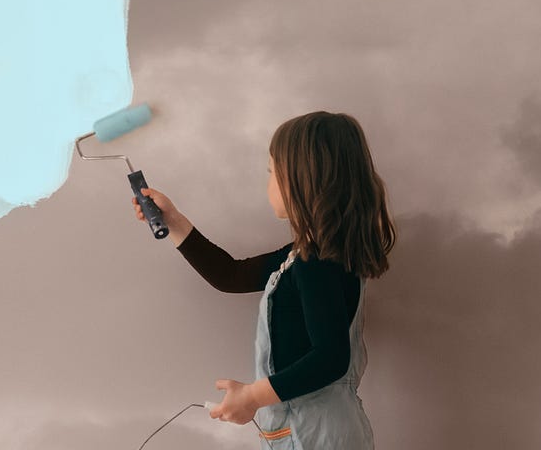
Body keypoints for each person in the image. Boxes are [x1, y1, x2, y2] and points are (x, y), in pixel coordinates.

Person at [131, 110, 396, 449]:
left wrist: (252, 396)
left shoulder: (316, 262)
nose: (267, 182)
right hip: (309, 431)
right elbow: (231, 274)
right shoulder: (303, 256)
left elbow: (331, 357)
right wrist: (174, 220)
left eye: (272, 172)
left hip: (316, 435)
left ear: (301, 182)